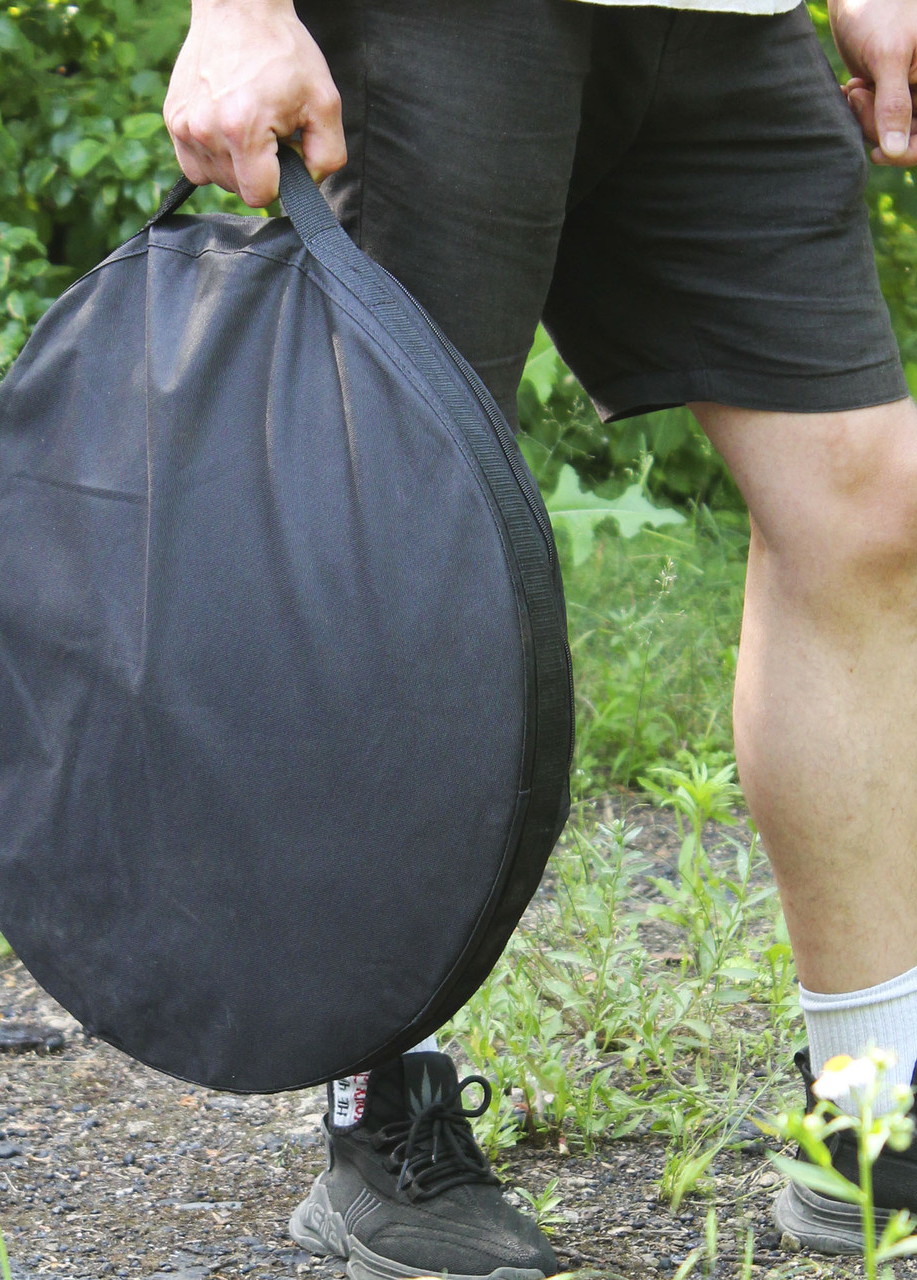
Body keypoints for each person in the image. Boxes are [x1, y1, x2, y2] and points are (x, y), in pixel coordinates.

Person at [161, 1, 917, 1277]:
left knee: (863, 508)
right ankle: (377, 1101)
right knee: (393, 508)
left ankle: (870, 1112)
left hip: (720, 20)